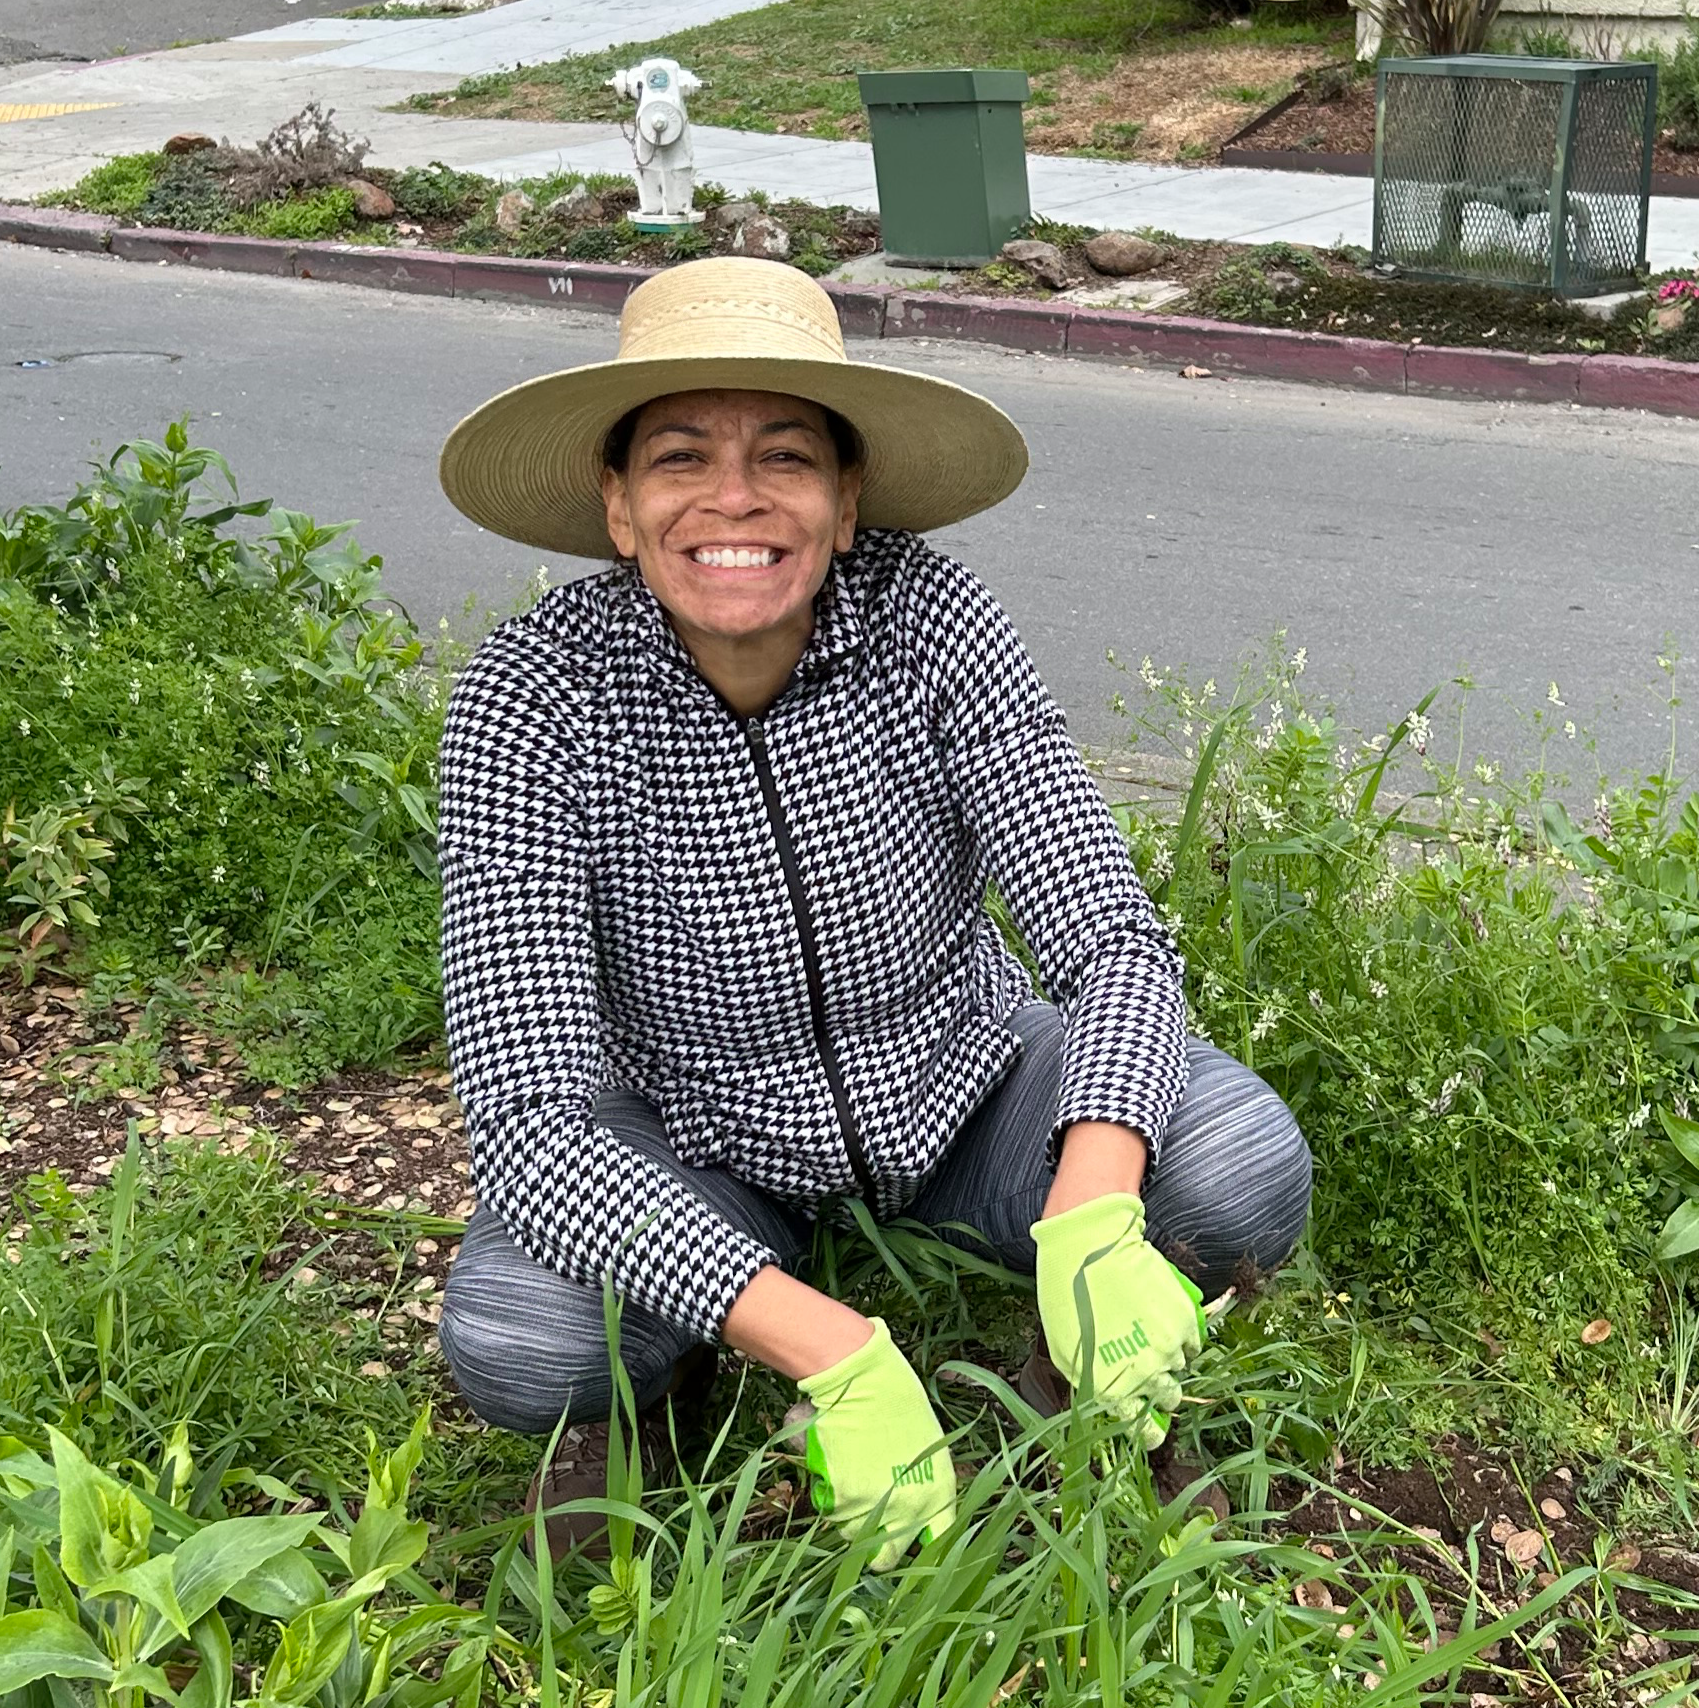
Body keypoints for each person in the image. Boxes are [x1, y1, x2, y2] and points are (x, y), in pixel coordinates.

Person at [429, 256, 1313, 1568]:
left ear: (847, 503)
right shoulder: (533, 700)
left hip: (960, 1088)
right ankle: (686, 1373)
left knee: (1241, 1167)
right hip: (700, 1138)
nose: (734, 498)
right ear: (618, 507)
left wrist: (1092, 1207)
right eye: (680, 458)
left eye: (784, 457)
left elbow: (1110, 938)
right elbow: (527, 1120)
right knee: (523, 1336)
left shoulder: (929, 620)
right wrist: (827, 1347)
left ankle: (1090, 1379)